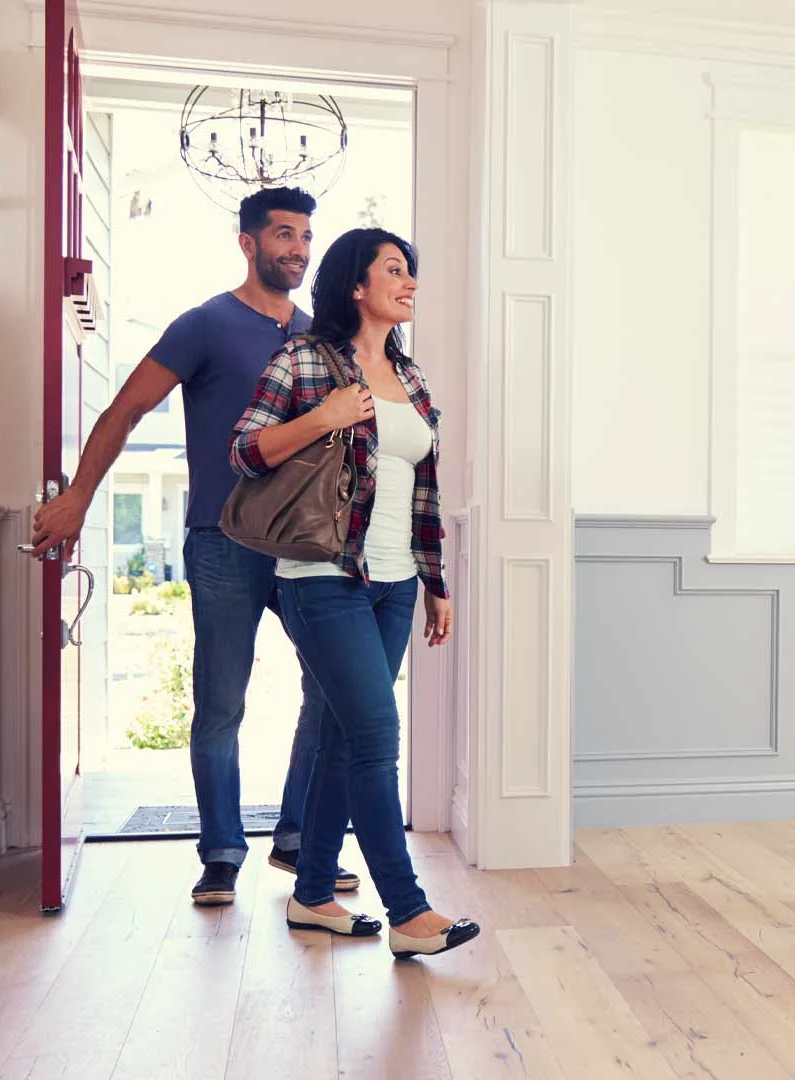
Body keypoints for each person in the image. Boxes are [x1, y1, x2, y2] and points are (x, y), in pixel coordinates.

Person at [30, 186, 360, 906]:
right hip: (222, 539)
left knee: (333, 689)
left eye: (305, 237)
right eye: (282, 235)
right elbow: (125, 409)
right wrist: (79, 496)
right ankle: (220, 851)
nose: (297, 249)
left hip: (306, 548)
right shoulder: (205, 325)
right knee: (220, 702)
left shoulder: (318, 337)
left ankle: (300, 837)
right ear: (249, 242)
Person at [229, 227, 479, 959]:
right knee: (374, 737)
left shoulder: (415, 377)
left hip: (396, 583)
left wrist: (436, 585)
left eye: (413, 271)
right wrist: (323, 416)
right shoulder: (304, 359)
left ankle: (311, 897)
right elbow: (243, 449)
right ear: (356, 286)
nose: (410, 283)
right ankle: (407, 911)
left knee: (342, 739)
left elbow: (424, 490)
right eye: (395, 270)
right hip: (323, 577)